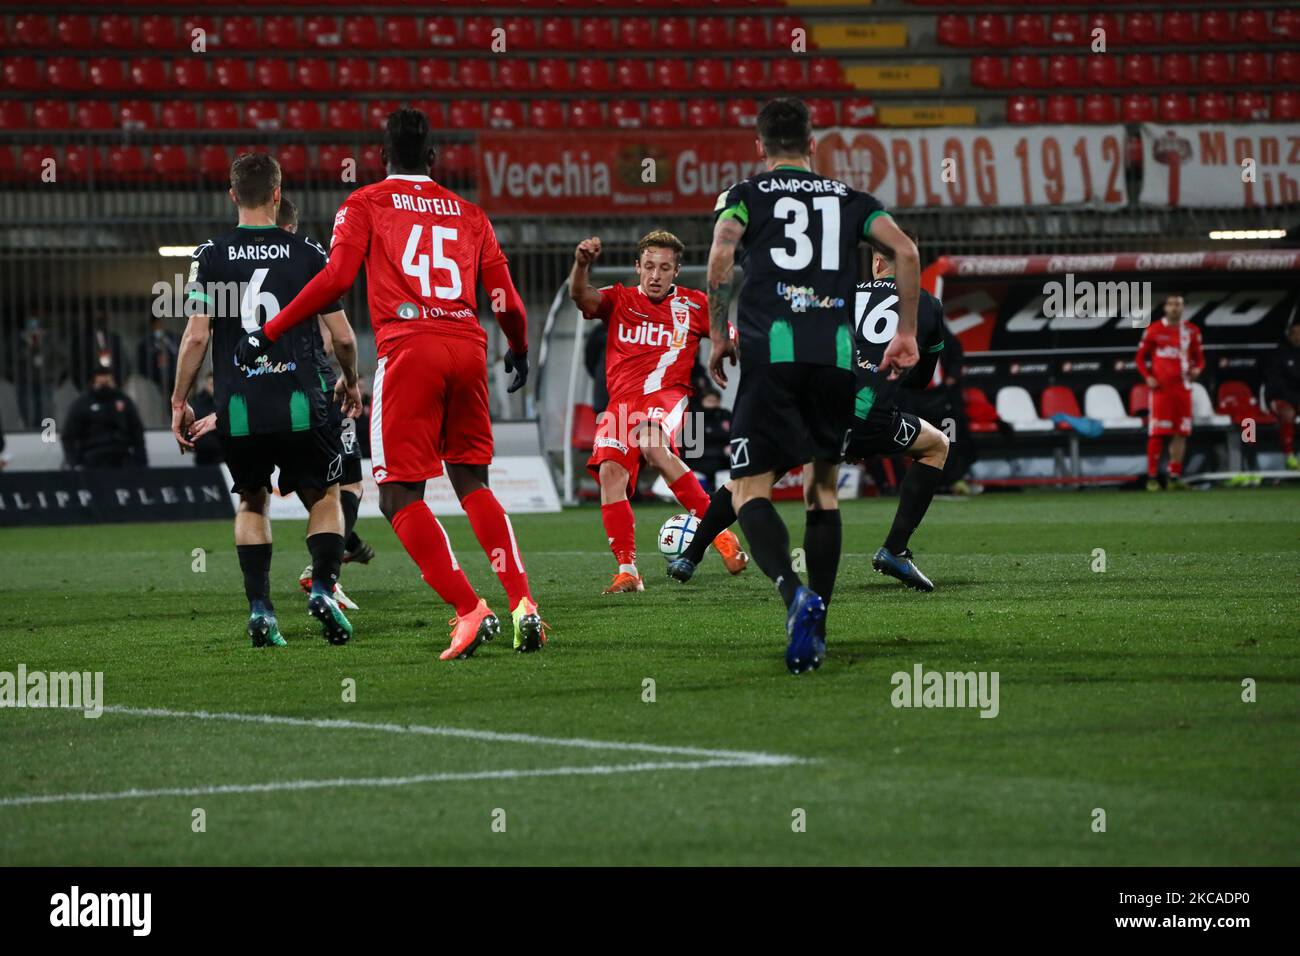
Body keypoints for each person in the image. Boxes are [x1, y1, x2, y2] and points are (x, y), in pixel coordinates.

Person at [234, 108, 545, 660]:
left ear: (381, 159)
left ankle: (470, 609)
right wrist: (518, 347)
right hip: (470, 347)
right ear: (433, 159)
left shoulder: (367, 203)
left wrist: (270, 331)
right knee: (474, 483)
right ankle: (525, 604)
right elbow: (509, 303)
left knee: (400, 493)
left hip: (411, 348)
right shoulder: (472, 214)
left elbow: (335, 279)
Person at [671, 97, 921, 675]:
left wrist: (718, 333)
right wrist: (904, 331)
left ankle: (793, 593)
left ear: (759, 148)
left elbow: (719, 259)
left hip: (771, 356)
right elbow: (905, 250)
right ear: (813, 145)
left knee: (749, 490)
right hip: (834, 358)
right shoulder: (852, 201)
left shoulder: (742, 196)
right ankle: (821, 625)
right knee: (822, 490)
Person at [171, 151, 362, 649]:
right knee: (324, 495)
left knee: (252, 499)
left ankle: (260, 610)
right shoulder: (309, 254)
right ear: (278, 194)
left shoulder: (208, 255)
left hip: (240, 405)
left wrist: (179, 401)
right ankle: (322, 588)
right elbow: (342, 337)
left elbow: (195, 338)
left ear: (233, 195)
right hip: (301, 400)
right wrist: (351, 379)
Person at [568, 230, 747, 593]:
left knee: (651, 444)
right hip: (620, 404)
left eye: (664, 268)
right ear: (637, 267)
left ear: (676, 271)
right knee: (609, 475)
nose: (655, 275)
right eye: (649, 266)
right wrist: (581, 266)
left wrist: (729, 345)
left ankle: (721, 534)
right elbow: (581, 297)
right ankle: (628, 571)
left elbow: (729, 334)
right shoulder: (619, 298)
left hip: (666, 395)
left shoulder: (695, 305)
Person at [277, 194, 378, 605]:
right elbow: (335, 336)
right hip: (315, 388)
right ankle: (324, 573)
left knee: (307, 484)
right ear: (290, 227)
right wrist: (350, 379)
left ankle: (342, 546)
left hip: (259, 395)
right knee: (347, 480)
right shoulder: (303, 260)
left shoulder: (234, 263)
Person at [846, 242, 949, 591]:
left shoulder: (847, 295)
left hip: (822, 411)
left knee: (759, 477)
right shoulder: (929, 305)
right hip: (872, 417)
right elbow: (922, 379)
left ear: (877, 262)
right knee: (937, 445)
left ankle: (694, 550)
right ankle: (894, 549)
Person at [1136, 293, 1204, 490]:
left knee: (1181, 433)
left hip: (1183, 389)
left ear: (1183, 308)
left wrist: (1198, 369)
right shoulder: (1154, 329)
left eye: (1179, 304)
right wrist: (1147, 376)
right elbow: (1140, 358)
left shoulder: (1191, 330)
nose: (1175, 307)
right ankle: (1152, 478)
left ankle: (1174, 477)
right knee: (1158, 432)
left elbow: (1199, 358)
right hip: (1161, 390)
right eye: (1171, 304)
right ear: (1165, 307)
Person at [62, 369, 147, 469]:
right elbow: (68, 435)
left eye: (107, 382)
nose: (104, 386)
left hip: (121, 455)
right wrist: (74, 462)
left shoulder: (124, 401)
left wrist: (141, 460)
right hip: (92, 457)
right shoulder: (82, 404)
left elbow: (137, 431)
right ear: (94, 382)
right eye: (100, 383)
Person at [1266, 322, 1300, 470]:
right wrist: (1295, 400)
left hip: (1297, 398)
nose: (1299, 336)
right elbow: (1277, 384)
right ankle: (1289, 456)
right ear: (1290, 335)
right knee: (1288, 412)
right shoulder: (1279, 354)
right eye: (1296, 333)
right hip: (1280, 398)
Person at [137, 316, 179, 394]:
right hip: (155, 381)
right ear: (154, 324)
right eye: (159, 322)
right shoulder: (145, 343)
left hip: (175, 378)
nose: (162, 324)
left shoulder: (173, 338)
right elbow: (142, 365)